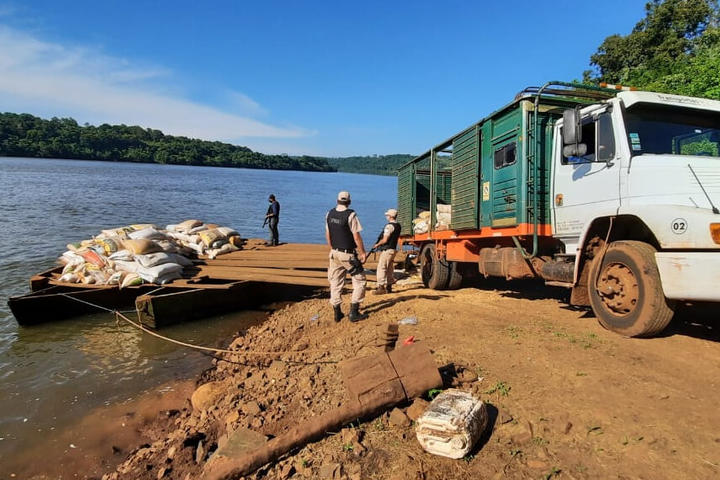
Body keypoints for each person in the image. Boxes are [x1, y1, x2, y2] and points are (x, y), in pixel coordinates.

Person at [325, 191, 368, 322]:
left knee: (335, 282)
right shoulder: (351, 215)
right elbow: (356, 237)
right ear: (349, 201)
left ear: (337, 200)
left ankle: (337, 313)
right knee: (360, 280)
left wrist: (333, 249)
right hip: (348, 255)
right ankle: (354, 312)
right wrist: (362, 253)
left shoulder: (329, 214)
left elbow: (328, 234)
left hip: (334, 253)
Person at [372, 208, 401, 295]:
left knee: (381, 267)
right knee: (389, 268)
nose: (386, 216)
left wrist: (377, 244)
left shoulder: (389, 226)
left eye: (387, 215)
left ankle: (381, 287)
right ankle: (389, 286)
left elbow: (385, 240)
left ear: (391, 216)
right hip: (393, 249)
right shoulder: (398, 226)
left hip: (387, 249)